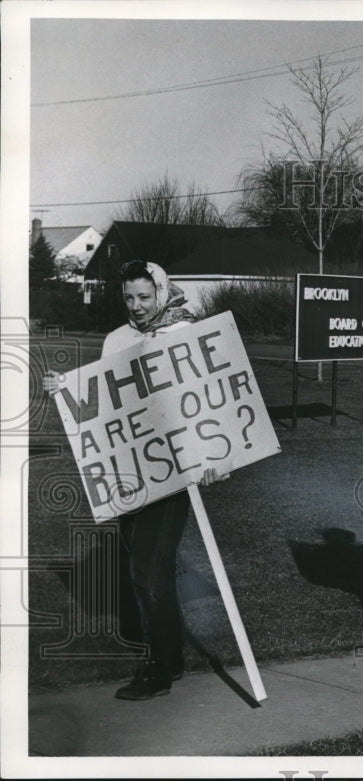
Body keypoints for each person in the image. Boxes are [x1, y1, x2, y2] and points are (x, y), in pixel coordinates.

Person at [44, 260, 226, 700]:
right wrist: (65, 389)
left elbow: (207, 403)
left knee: (148, 569)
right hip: (131, 469)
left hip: (175, 472)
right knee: (143, 569)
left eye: (145, 297)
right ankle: (170, 658)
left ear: (161, 292)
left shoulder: (185, 334)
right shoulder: (117, 339)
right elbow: (106, 402)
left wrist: (214, 458)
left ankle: (159, 669)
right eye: (129, 297)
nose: (137, 306)